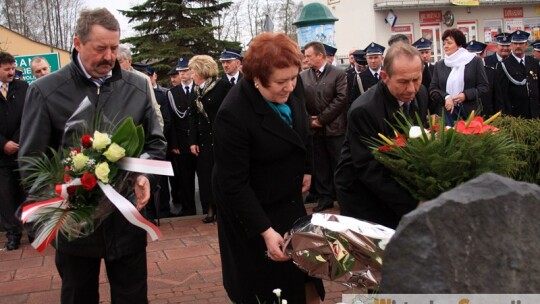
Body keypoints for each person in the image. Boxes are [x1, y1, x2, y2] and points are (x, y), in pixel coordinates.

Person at [18, 8, 166, 303]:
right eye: (100, 48)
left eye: (114, 47)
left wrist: (144, 174)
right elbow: (31, 160)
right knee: (78, 296)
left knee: (133, 297)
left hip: (127, 221)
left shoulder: (137, 86)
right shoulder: (46, 91)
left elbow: (156, 142)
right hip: (75, 225)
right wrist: (55, 207)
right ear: (77, 43)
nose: (110, 56)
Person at [212, 32, 324, 304]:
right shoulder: (233, 113)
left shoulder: (289, 82)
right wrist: (264, 230)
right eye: (281, 82)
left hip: (287, 199)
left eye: (294, 78)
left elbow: (304, 131)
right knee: (269, 285)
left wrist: (307, 168)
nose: (290, 87)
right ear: (257, 79)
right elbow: (234, 183)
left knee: (304, 279)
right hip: (251, 208)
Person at [335, 42, 428, 229]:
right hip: (362, 195)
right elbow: (370, 169)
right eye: (403, 82)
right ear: (385, 77)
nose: (411, 89)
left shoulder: (421, 94)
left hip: (393, 186)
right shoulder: (364, 110)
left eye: (416, 79)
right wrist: (413, 204)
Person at [301, 41, 348, 212]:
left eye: (308, 56)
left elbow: (341, 99)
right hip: (314, 130)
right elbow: (299, 101)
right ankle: (325, 197)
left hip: (334, 129)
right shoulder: (303, 76)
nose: (305, 59)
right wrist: (309, 120)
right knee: (320, 166)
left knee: (338, 164)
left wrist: (321, 119)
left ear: (320, 55)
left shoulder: (338, 74)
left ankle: (342, 198)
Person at [188, 55, 232, 223]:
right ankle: (210, 209)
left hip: (221, 139)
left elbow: (229, 113)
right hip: (204, 141)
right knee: (206, 176)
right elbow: (192, 117)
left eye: (193, 70)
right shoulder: (195, 90)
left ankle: (223, 209)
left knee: (221, 175)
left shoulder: (223, 86)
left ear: (202, 70)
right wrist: (193, 141)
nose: (191, 74)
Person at [429, 28, 489, 125]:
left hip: (469, 113)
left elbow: (484, 87)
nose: (445, 46)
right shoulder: (440, 65)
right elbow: (433, 89)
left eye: (449, 43)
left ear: (459, 44)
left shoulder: (474, 61)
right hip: (446, 114)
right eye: (444, 43)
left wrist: (466, 95)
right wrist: (446, 97)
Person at [0, 51, 28, 250]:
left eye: (13, 68)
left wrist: (16, 140)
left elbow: (29, 115)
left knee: (27, 191)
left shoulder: (22, 87)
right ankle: (13, 234)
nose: (11, 72)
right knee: (6, 196)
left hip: (22, 150)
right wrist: (3, 143)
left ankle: (35, 230)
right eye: (6, 69)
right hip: (1, 155)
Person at [167, 58, 197, 216]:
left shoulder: (198, 89)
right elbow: (171, 121)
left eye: (185, 71)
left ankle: (207, 208)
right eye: (180, 72)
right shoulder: (172, 93)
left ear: (192, 72)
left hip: (198, 141)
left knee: (204, 176)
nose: (182, 74)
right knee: (185, 178)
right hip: (182, 141)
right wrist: (174, 144)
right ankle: (188, 209)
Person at [116, 45, 164, 131]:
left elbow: (154, 108)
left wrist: (159, 132)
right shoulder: (109, 79)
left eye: (120, 62)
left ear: (129, 61)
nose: (116, 66)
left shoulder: (142, 79)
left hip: (139, 130)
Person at [495, 30, 540, 118]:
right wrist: (506, 116)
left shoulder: (534, 62)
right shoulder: (504, 65)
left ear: (526, 45)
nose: (518, 46)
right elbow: (501, 94)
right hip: (516, 115)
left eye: (521, 43)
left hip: (535, 113)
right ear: (511, 45)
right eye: (515, 43)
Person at [467, 40, 496, 117]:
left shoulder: (492, 72)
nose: (473, 58)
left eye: (476, 55)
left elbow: (497, 97)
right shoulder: (462, 72)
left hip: (488, 115)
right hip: (469, 115)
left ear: (483, 54)